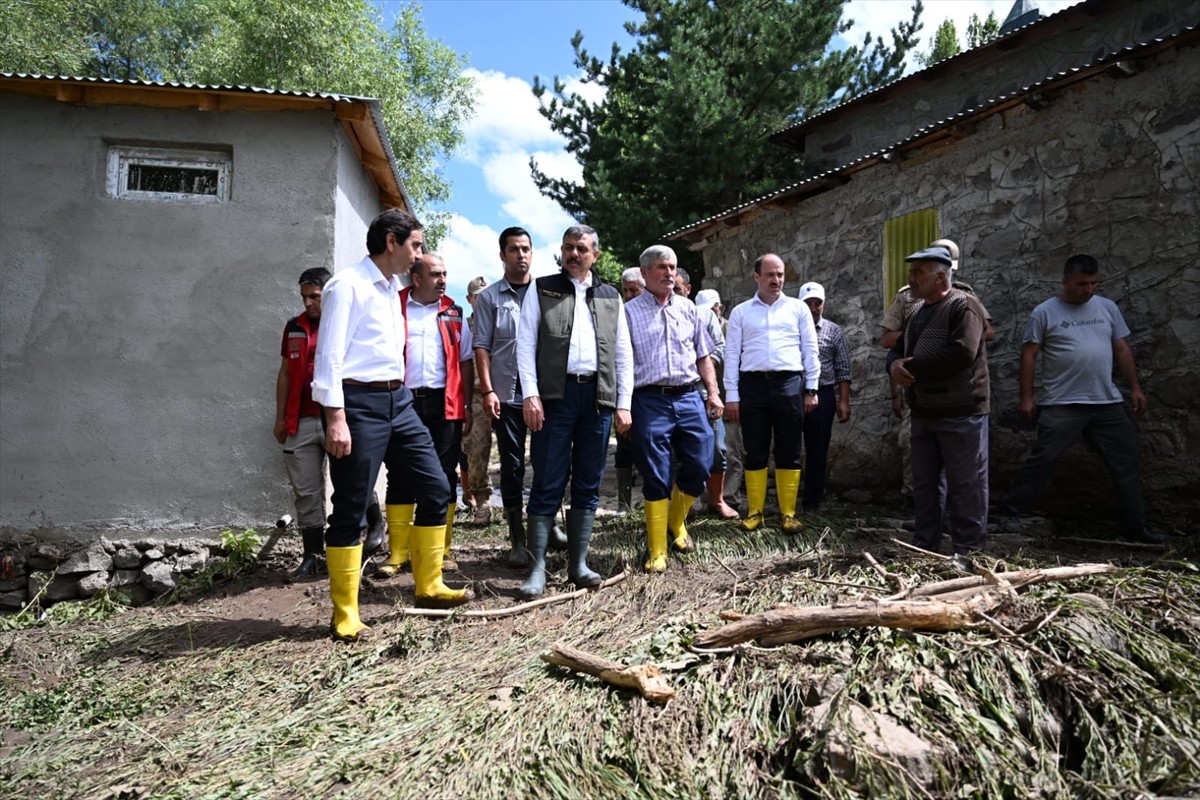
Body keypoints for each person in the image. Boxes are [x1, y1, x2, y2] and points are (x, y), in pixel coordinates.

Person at [313, 209, 472, 642]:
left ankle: (429, 585)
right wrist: (336, 418)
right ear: (391, 242)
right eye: (415, 245)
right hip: (357, 403)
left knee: (437, 487)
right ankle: (345, 613)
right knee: (351, 503)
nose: (418, 255)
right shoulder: (347, 286)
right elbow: (327, 356)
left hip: (398, 400)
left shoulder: (390, 288)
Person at [1000, 254, 1162, 543]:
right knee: (1043, 457)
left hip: (1106, 401)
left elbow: (1122, 350)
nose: (1088, 290)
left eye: (1093, 283)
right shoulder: (1045, 312)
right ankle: (1010, 512)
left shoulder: (1107, 308)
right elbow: (1029, 354)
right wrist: (1027, 397)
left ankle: (1135, 527)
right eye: (1081, 284)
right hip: (1063, 401)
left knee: (1127, 461)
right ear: (1065, 282)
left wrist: (1135, 387)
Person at [516, 224, 633, 598]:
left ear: (595, 255)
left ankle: (578, 564)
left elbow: (622, 354)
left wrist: (624, 403)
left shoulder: (611, 296)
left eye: (582, 248)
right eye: (568, 247)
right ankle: (536, 568)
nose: (574, 254)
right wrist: (531, 395)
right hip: (554, 397)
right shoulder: (542, 288)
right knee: (548, 478)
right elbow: (525, 343)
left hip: (597, 399)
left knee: (588, 480)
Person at [272, 267, 385, 580]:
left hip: (340, 417)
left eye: (315, 296)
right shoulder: (294, 327)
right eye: (304, 297)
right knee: (306, 491)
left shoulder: (346, 324)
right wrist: (281, 416)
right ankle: (313, 555)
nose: (309, 303)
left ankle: (376, 525)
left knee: (352, 479)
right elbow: (285, 374)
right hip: (301, 420)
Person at [374, 252, 474, 576]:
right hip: (402, 403)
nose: (443, 280)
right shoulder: (394, 305)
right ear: (416, 278)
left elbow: (465, 360)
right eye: (435, 274)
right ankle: (398, 554)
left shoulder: (454, 312)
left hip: (444, 405)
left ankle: (440, 551)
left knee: (444, 476)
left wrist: (467, 405)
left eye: (445, 274)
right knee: (399, 475)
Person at [886, 245, 990, 555]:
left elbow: (962, 354)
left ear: (940, 277)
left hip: (962, 412)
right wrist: (892, 365)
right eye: (911, 272)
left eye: (918, 272)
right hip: (924, 412)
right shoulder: (917, 312)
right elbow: (897, 348)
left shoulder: (964, 306)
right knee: (926, 485)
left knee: (966, 483)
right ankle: (925, 545)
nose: (910, 278)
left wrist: (910, 366)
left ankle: (968, 550)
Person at [625, 246, 722, 571]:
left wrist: (713, 392)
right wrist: (622, 407)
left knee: (702, 459)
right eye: (662, 267)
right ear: (645, 272)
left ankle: (676, 520)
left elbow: (703, 355)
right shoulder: (629, 313)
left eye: (673, 267)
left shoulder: (689, 309)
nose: (670, 273)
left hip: (688, 395)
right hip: (649, 398)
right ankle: (657, 550)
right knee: (656, 472)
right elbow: (621, 364)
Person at [724, 254, 821, 534]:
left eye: (780, 274)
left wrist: (811, 388)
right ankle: (755, 512)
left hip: (789, 383)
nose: (776, 280)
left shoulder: (798, 309)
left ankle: (788, 513)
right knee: (755, 449)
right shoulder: (741, 312)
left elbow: (809, 350)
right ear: (756, 277)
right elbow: (732, 355)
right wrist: (732, 394)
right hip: (752, 386)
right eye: (770, 274)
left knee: (789, 449)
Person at [797, 282, 852, 511]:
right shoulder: (790, 329)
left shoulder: (833, 331)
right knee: (787, 446)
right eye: (808, 303)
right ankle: (787, 499)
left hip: (823, 395)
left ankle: (812, 501)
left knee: (817, 448)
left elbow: (843, 369)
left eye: (817, 303)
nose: (813, 307)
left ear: (823, 304)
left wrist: (843, 401)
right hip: (793, 394)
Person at [693, 288, 739, 518]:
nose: (714, 311)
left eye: (715, 307)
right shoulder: (690, 317)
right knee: (692, 450)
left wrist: (704, 365)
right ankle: (693, 503)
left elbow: (734, 361)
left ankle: (723, 499)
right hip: (692, 394)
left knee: (724, 450)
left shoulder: (732, 328)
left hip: (722, 397)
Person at [462, 276, 494, 524]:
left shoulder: (502, 322)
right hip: (475, 396)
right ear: (470, 299)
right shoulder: (463, 329)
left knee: (514, 453)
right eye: (478, 296)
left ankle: (515, 505)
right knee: (476, 450)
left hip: (504, 395)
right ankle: (482, 503)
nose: (484, 301)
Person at [615, 267, 646, 514]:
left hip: (648, 391)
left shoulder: (652, 313)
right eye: (625, 290)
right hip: (624, 391)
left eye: (634, 290)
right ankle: (623, 504)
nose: (628, 295)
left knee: (648, 445)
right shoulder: (618, 315)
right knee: (624, 446)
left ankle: (652, 501)